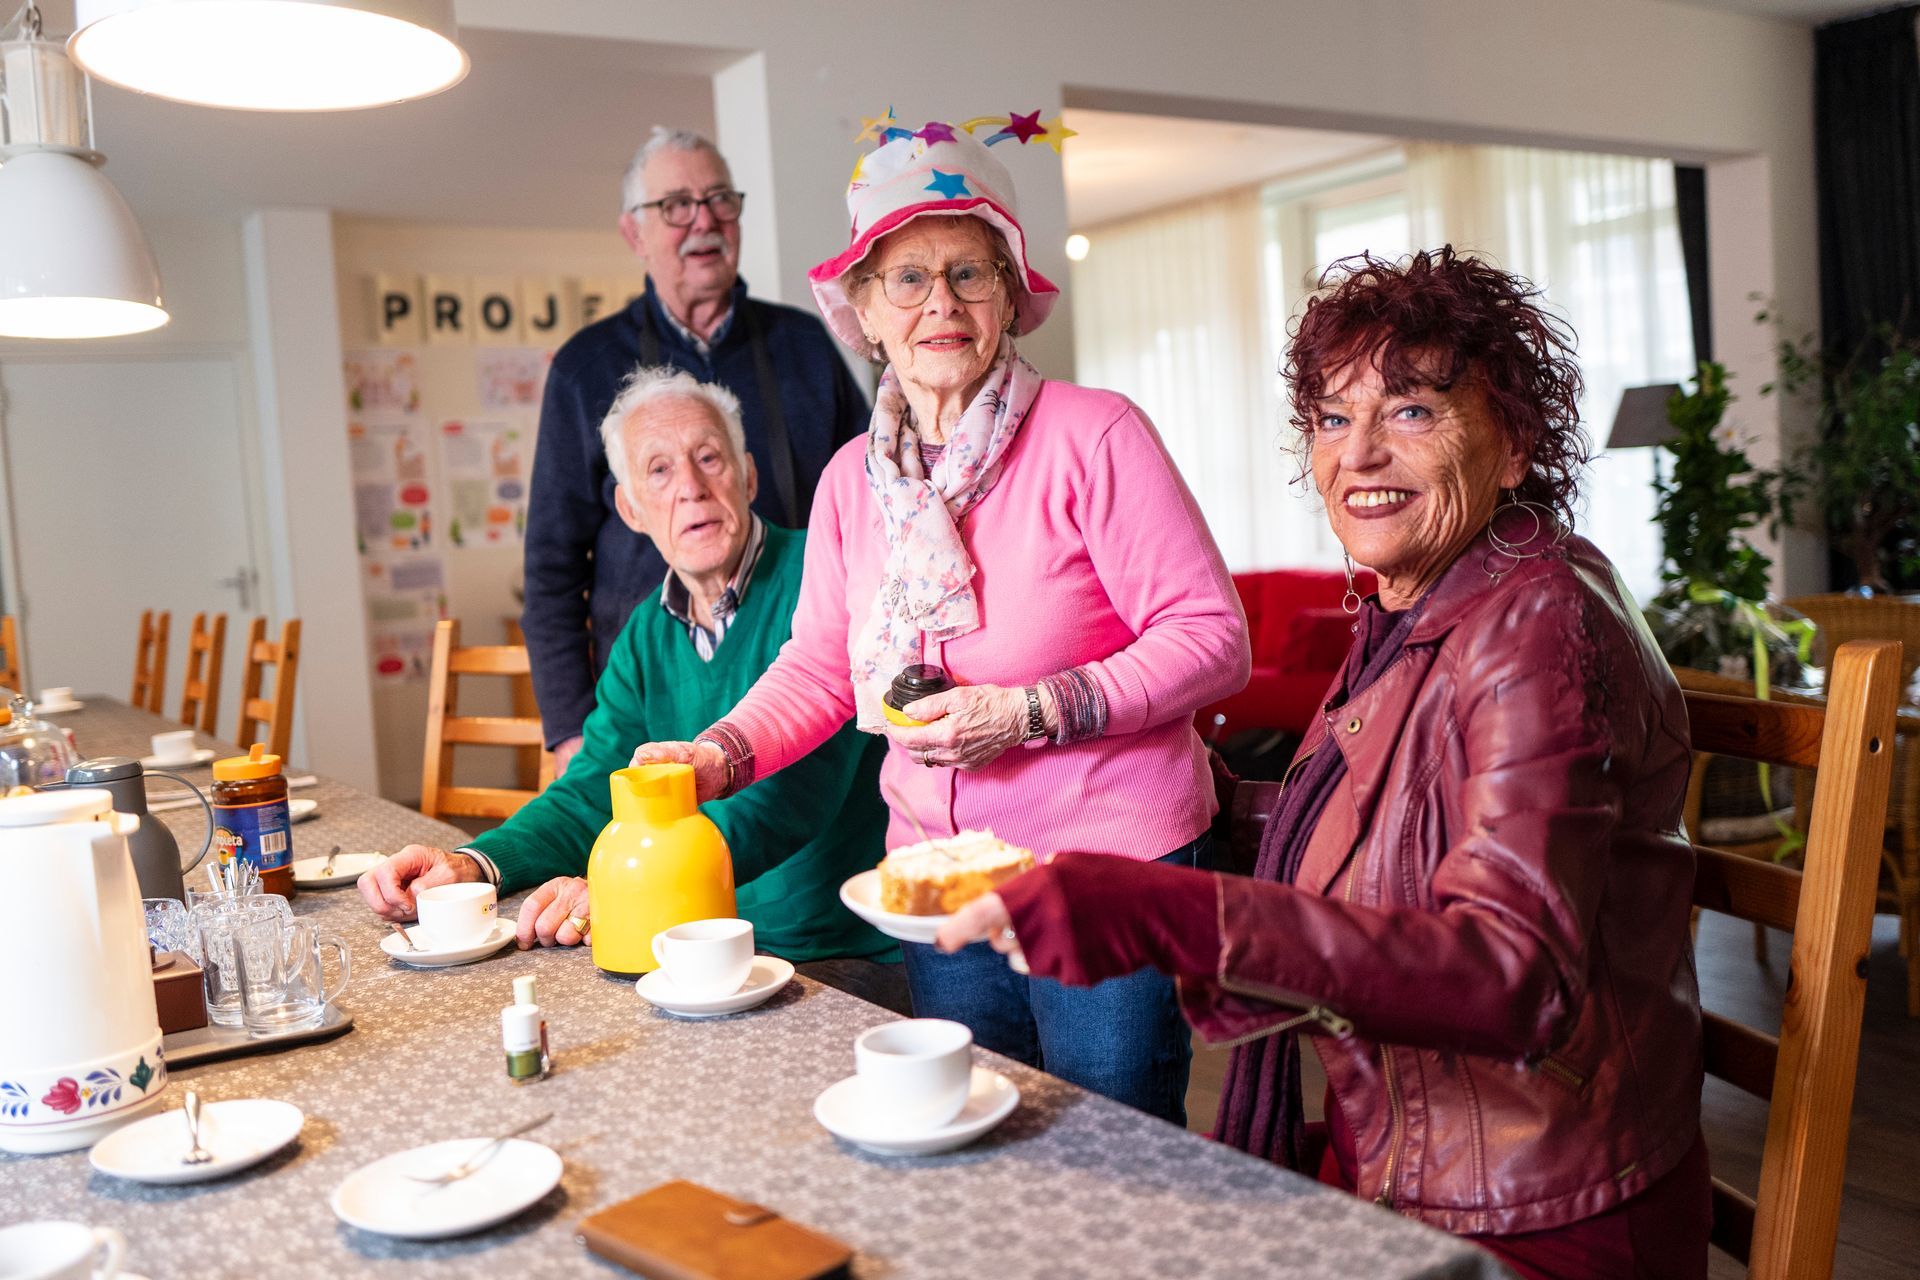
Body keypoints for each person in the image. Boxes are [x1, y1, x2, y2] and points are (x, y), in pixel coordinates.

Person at [939, 248, 1709, 1279]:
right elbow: (1395, 821)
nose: (1360, 455)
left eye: (1414, 411)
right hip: (1406, 1157)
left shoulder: (1537, 631)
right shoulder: (1431, 600)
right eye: (1334, 418)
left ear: (1515, 441)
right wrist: (1211, 800)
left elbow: (1507, 971)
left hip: (1528, 1209)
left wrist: (1164, 911)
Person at [628, 115, 1250, 1126]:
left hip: (1106, 872)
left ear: (1009, 297)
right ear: (864, 312)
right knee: (975, 1130)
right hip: (933, 880)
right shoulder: (848, 483)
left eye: (970, 272)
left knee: (1119, 1150)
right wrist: (718, 753)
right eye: (907, 278)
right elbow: (822, 665)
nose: (941, 302)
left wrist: (1033, 709)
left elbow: (1212, 637)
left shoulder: (1096, 435)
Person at [362, 367, 903, 1010]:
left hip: (833, 953)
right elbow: (593, 789)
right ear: (630, 509)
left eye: (709, 458)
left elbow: (792, 794)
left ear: (749, 475)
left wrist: (627, 886)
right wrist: (474, 865)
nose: (692, 490)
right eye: (660, 471)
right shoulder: (646, 632)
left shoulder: (822, 575)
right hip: (691, 944)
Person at [524, 126, 871, 773]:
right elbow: (551, 570)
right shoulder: (583, 369)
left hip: (807, 692)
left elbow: (873, 507)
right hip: (651, 703)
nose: (704, 221)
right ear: (635, 233)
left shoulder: (806, 344)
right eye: (676, 205)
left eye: (719, 200)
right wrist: (574, 735)